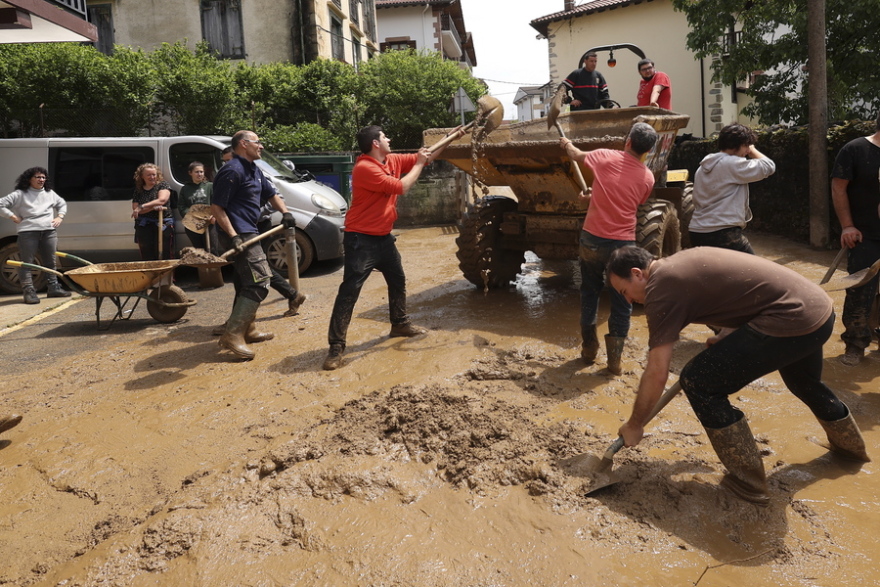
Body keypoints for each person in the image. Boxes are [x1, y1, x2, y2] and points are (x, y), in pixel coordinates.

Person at [607, 245, 870, 505]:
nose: (629, 300)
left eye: (624, 291)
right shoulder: (681, 261)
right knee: (804, 382)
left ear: (637, 273)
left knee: (698, 381)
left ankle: (749, 484)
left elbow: (657, 371)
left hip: (792, 319)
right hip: (818, 312)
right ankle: (852, 451)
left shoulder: (660, 289)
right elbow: (744, 292)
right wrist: (727, 334)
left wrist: (635, 424)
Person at [322, 124, 459, 370]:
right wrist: (418, 163)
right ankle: (336, 347)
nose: (389, 138)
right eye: (385, 136)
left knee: (398, 280)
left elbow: (426, 157)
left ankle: (399, 324)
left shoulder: (391, 159)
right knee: (350, 291)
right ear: (375, 143)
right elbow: (402, 187)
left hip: (383, 237)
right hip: (360, 239)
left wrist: (449, 139)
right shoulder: (365, 168)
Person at [559, 122, 658, 374]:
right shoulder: (648, 177)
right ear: (647, 150)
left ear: (628, 141)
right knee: (622, 301)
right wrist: (598, 195)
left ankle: (589, 349)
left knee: (589, 292)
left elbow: (575, 155)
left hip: (592, 239)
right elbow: (631, 200)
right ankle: (614, 361)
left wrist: (567, 143)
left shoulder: (604, 156)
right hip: (623, 246)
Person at [211, 130, 297, 360]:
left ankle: (248, 329)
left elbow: (271, 194)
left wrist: (286, 213)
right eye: (257, 142)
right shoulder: (231, 170)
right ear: (243, 144)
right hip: (239, 234)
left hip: (250, 230)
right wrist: (233, 235)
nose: (261, 146)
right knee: (260, 281)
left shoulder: (254, 169)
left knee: (244, 281)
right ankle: (233, 334)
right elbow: (217, 208)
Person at [831, 111, 880, 366]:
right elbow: (839, 188)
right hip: (865, 234)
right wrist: (847, 226)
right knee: (861, 290)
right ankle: (855, 344)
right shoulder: (856, 149)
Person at [688, 123, 775, 254]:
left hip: (697, 232)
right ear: (737, 145)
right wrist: (753, 150)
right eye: (746, 146)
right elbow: (769, 166)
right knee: (753, 271)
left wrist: (746, 147)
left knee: (714, 273)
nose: (747, 151)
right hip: (722, 233)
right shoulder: (732, 164)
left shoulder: (703, 167)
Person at [0, 167, 71, 304]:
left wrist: (60, 217)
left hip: (48, 231)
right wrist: (12, 216)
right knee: (27, 262)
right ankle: (28, 291)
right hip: (28, 232)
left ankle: (53, 287)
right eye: (38, 177)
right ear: (29, 179)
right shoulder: (20, 194)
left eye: (43, 177)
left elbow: (61, 204)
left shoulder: (49, 193)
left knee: (50, 261)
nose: (41, 180)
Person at [131, 163, 173, 261]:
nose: (152, 177)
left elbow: (162, 200)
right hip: (144, 225)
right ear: (142, 176)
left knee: (164, 252)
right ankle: (151, 276)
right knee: (147, 253)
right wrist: (153, 207)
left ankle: (167, 276)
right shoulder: (138, 190)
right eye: (148, 175)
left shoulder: (163, 185)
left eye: (154, 174)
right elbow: (136, 210)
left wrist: (143, 206)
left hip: (162, 223)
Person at [179, 161, 214, 250]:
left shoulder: (210, 186)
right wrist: (193, 216)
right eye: (196, 172)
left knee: (212, 249)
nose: (199, 174)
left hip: (209, 222)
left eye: (201, 172)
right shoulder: (185, 189)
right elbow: (181, 206)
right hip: (193, 224)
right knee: (199, 251)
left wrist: (213, 216)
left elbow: (216, 203)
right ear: (190, 173)